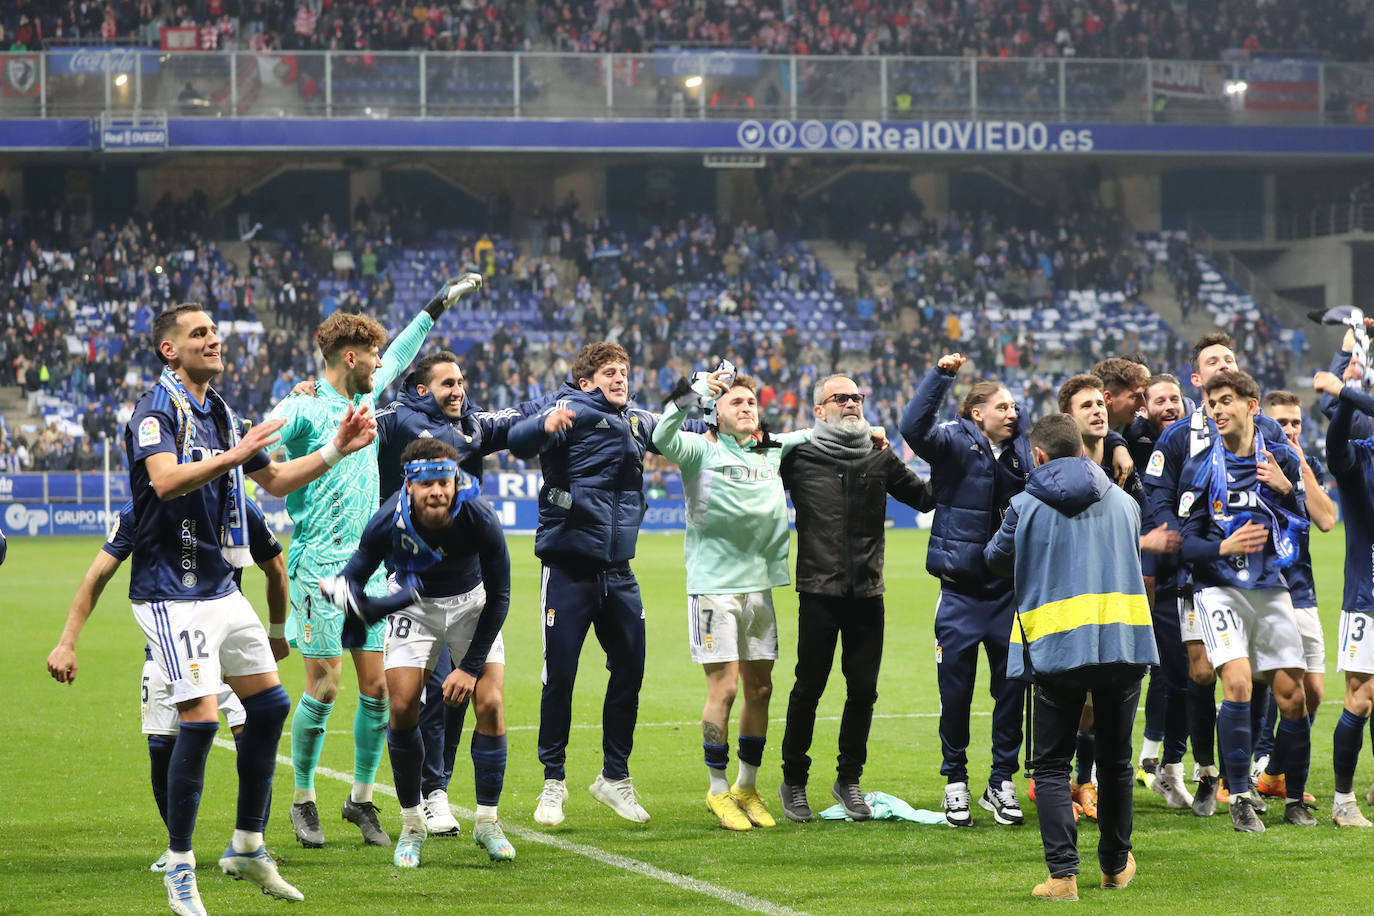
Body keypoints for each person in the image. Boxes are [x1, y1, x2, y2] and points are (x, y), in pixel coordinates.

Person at [124, 302, 376, 915]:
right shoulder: (155, 411)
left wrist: (336, 450)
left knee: (268, 705)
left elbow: (280, 480)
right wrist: (235, 458)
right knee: (202, 721)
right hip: (171, 590)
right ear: (170, 350)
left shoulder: (223, 413)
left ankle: (246, 845)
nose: (214, 339)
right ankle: (180, 866)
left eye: (214, 330)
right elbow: (163, 481)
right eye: (199, 334)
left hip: (218, 586)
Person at [267, 276, 479, 849]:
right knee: (324, 685)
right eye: (375, 355)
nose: (383, 365)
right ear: (351, 356)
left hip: (371, 567)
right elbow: (258, 444)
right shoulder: (305, 404)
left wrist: (436, 306)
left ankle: (360, 801)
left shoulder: (364, 396)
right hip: (317, 566)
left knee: (378, 689)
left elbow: (406, 350)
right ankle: (303, 799)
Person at [46, 497, 288, 871]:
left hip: (226, 638)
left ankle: (253, 841)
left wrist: (275, 632)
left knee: (252, 731)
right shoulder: (141, 510)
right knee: (161, 745)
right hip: (168, 643)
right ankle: (179, 846)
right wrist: (66, 641)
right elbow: (98, 574)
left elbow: (276, 567)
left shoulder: (236, 504)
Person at [984, 413, 1157, 901]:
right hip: (1122, 645)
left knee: (1053, 766)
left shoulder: (1024, 505)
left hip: (1057, 646)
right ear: (1083, 450)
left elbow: (993, 561)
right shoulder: (1125, 502)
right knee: (1117, 762)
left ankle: (1063, 877)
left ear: (1037, 456)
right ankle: (1115, 867)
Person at [320, 438, 512, 868]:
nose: (439, 491)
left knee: (492, 703)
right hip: (415, 609)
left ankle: (487, 822)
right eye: (428, 484)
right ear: (409, 485)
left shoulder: (478, 515)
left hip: (473, 603)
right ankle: (411, 824)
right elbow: (353, 577)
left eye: (446, 481)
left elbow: (500, 595)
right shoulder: (387, 520)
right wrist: (342, 595)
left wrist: (470, 667)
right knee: (403, 706)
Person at [374, 350, 542, 836]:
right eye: (448, 382)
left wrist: (565, 404)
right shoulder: (394, 421)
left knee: (463, 696)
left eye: (462, 381)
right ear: (424, 389)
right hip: (414, 590)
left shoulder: (472, 428)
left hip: (467, 590)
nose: (459, 390)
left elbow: (521, 417)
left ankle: (446, 796)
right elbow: (349, 413)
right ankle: (429, 797)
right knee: (419, 697)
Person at [507, 342, 663, 827]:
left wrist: (708, 401)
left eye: (625, 371)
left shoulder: (638, 420)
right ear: (586, 380)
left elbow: (686, 430)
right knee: (561, 677)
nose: (620, 378)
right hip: (569, 567)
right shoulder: (566, 411)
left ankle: (614, 778)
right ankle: (553, 782)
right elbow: (519, 439)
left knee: (631, 670)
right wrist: (544, 426)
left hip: (619, 570)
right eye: (609, 372)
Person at [651, 367, 813, 831]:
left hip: (759, 586)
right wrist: (702, 388)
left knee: (760, 689)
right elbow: (663, 430)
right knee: (723, 689)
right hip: (713, 588)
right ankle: (717, 789)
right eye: (736, 403)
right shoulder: (699, 449)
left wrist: (870, 431)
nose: (746, 408)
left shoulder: (771, 449)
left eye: (751, 403)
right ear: (716, 415)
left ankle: (746, 785)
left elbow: (814, 433)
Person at [1140, 332, 1293, 816]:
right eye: (1213, 362)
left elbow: (1294, 494)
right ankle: (1209, 770)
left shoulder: (1265, 427)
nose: (1222, 364)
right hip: (1199, 573)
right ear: (1197, 380)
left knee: (1256, 674)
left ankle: (1238, 773)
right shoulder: (1179, 434)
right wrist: (1182, 541)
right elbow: (1161, 497)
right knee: (1202, 672)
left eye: (1229, 358)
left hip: (1258, 578)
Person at [777, 374, 934, 823]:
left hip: (868, 592)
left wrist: (949, 459)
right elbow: (756, 455)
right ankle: (794, 781)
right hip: (818, 591)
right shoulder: (801, 456)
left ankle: (848, 780)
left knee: (863, 691)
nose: (851, 403)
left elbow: (925, 498)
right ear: (819, 410)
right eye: (840, 397)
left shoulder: (878, 457)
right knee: (809, 688)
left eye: (857, 397)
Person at [1177, 369, 1313, 832]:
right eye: (1212, 402)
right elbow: (1183, 541)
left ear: (1251, 406)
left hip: (1271, 588)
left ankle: (1294, 798)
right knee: (1236, 684)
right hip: (1218, 590)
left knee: (1292, 695)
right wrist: (1221, 548)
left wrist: (1286, 489)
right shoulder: (1198, 466)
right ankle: (1238, 797)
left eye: (1226, 400)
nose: (1217, 409)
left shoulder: (1279, 461)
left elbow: (1304, 526)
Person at [900, 352, 1031, 827]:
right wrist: (941, 376)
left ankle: (1001, 782)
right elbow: (913, 429)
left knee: (1011, 692)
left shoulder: (1023, 454)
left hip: (1007, 594)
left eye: (1016, 407)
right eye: (1003, 407)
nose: (1012, 413)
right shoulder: (954, 443)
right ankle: (955, 782)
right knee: (955, 696)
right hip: (957, 594)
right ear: (977, 413)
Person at [1252, 390, 1336, 800]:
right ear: (1265, 423)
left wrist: (1300, 467)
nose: (1289, 429)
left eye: (1296, 423)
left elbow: (1326, 519)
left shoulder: (1307, 464)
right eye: (1281, 422)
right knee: (1260, 688)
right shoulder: (1246, 462)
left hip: (1301, 589)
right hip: (1260, 588)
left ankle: (1275, 773)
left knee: (1314, 692)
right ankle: (1255, 765)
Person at [1124, 374, 1193, 804]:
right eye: (1160, 400)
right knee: (1125, 672)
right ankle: (1090, 772)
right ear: (1143, 408)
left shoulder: (1194, 442)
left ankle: (1164, 764)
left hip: (1177, 573)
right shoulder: (1131, 440)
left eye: (1175, 399)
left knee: (1179, 675)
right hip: (1134, 568)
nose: (1170, 406)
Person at [1313, 364, 1374, 827]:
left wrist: (1344, 389)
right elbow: (1335, 449)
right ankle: (1342, 800)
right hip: (1366, 599)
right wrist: (1344, 396)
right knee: (1362, 697)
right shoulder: (1358, 461)